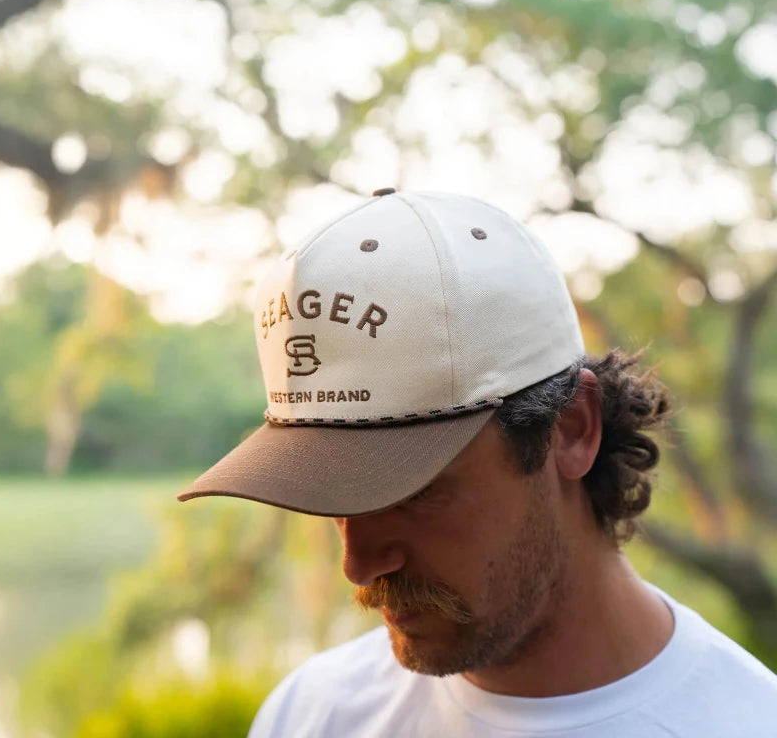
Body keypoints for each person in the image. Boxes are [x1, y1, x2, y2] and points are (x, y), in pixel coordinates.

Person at [178, 189, 777, 737]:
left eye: (410, 492)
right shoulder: (310, 715)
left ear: (572, 429)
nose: (358, 564)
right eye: (334, 500)